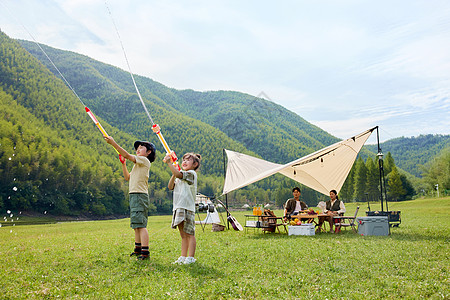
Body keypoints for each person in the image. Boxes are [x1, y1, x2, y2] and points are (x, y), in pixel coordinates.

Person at [104, 136, 155, 260]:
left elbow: (127, 154)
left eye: (141, 148)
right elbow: (127, 177)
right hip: (134, 195)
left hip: (139, 195)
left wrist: (113, 142)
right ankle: (138, 250)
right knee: (136, 225)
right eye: (137, 148)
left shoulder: (144, 161)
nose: (138, 149)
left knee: (141, 225)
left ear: (148, 152)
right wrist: (124, 164)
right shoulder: (138, 164)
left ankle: (145, 252)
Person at [164, 151, 201, 265]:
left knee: (190, 233)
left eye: (188, 160)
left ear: (195, 164)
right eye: (183, 160)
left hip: (187, 207)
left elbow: (180, 175)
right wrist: (174, 171)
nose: (184, 161)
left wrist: (170, 164)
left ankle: (191, 257)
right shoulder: (180, 175)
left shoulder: (191, 174)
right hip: (179, 206)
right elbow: (170, 186)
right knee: (183, 235)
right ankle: (183, 256)